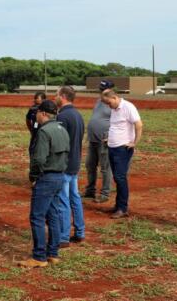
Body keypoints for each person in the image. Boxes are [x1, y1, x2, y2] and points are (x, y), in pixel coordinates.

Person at [18, 100, 69, 268]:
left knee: (37, 216)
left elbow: (39, 159)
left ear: (44, 113)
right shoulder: (62, 129)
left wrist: (33, 177)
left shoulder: (44, 131)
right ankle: (53, 253)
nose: (36, 116)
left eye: (38, 113)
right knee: (52, 215)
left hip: (46, 177)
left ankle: (39, 256)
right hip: (59, 176)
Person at [102, 89, 143, 219]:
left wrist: (134, 142)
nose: (108, 106)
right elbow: (117, 127)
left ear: (114, 97)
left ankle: (122, 208)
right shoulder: (114, 109)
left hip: (122, 149)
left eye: (109, 102)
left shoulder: (128, 107)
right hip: (112, 147)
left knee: (120, 177)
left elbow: (139, 125)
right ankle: (118, 205)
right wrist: (110, 139)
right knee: (117, 177)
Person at [55, 86, 85, 247]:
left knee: (63, 201)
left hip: (64, 165)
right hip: (75, 162)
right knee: (75, 197)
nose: (55, 97)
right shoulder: (78, 115)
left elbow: (59, 142)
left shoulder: (63, 116)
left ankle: (63, 237)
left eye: (57, 95)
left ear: (64, 96)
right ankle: (80, 232)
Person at [84, 80, 114, 203]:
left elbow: (120, 123)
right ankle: (90, 191)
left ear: (111, 89)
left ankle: (105, 193)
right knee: (90, 165)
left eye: (104, 89)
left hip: (104, 139)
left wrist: (112, 136)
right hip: (93, 139)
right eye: (100, 89)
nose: (101, 91)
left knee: (105, 168)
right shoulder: (99, 101)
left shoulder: (114, 103)